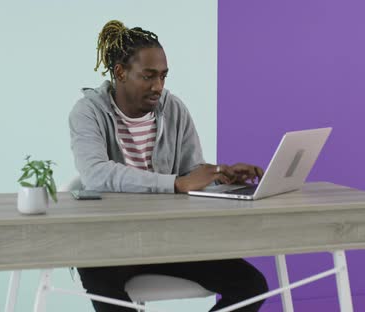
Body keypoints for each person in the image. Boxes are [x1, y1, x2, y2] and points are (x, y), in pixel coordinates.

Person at [69, 20, 268, 312]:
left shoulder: (174, 109)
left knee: (251, 286)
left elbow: (191, 173)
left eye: (163, 76)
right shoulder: (88, 112)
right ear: (120, 72)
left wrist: (219, 176)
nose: (158, 86)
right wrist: (174, 183)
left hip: (169, 238)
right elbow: (96, 174)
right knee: (104, 287)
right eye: (148, 76)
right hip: (109, 243)